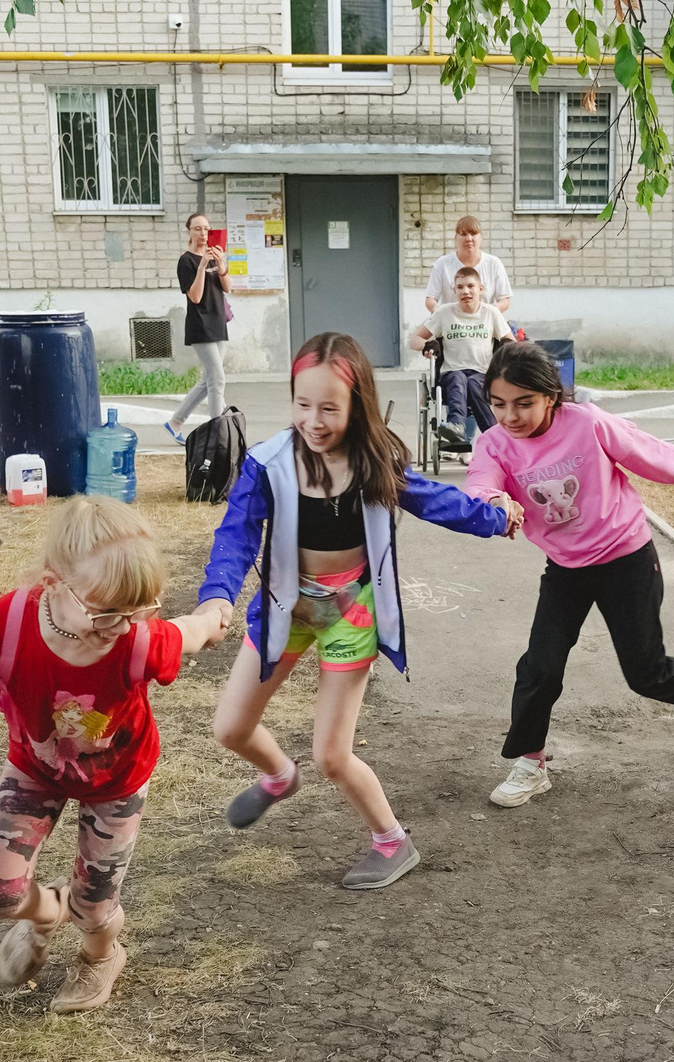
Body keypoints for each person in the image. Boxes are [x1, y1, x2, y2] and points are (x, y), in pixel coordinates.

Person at [200, 331, 518, 888]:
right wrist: (216, 599)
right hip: (287, 610)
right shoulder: (268, 465)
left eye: (330, 408)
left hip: (352, 614)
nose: (314, 420)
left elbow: (439, 503)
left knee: (332, 754)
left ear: (357, 405)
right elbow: (236, 537)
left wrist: (497, 518)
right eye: (303, 404)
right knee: (229, 727)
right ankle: (278, 774)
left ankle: (392, 842)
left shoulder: (375, 463)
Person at [0, 497, 233, 1012]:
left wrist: (213, 616)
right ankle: (47, 910)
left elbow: (189, 632)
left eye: (136, 612)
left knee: (93, 907)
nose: (119, 628)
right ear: (52, 582)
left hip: (118, 779)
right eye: (104, 614)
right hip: (37, 770)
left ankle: (100, 956)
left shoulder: (139, 636)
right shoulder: (1, 628)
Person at [470, 339, 674, 811]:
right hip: (565, 567)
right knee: (539, 666)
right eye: (499, 405)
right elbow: (481, 484)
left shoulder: (586, 422)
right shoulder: (494, 443)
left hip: (625, 556)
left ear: (551, 397)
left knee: (646, 672)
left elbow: (649, 453)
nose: (510, 416)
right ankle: (530, 761)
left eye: (523, 403)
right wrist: (494, 503)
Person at [405, 266, 512, 443]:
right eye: (460, 287)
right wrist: (428, 344)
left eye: (470, 286)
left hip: (482, 375)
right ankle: (457, 427)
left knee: (473, 382)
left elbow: (512, 343)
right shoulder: (444, 313)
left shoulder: (491, 313)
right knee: (459, 378)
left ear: (480, 289)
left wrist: (505, 346)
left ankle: (494, 435)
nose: (466, 291)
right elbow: (413, 340)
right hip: (451, 374)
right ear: (454, 290)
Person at [167, 214, 231, 441]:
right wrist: (202, 266)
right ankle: (218, 433)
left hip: (218, 321)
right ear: (189, 232)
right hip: (200, 325)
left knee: (209, 380)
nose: (203, 234)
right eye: (197, 229)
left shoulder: (214, 254)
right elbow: (195, 297)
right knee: (218, 379)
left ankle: (175, 422)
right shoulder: (186, 261)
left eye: (206, 229)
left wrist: (220, 264)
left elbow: (227, 288)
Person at [423, 215, 512, 317]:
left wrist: (486, 313)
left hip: (484, 325)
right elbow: (431, 299)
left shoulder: (494, 263)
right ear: (456, 238)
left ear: (481, 238)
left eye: (473, 234)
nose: (469, 238)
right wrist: (440, 313)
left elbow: (505, 300)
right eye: (463, 234)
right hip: (451, 325)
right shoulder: (442, 264)